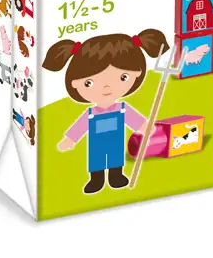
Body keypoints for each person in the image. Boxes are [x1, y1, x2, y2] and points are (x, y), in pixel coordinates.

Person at [42, 29, 169, 194]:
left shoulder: (123, 109)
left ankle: (116, 176)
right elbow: (80, 127)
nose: (107, 87)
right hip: (97, 144)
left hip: (116, 142)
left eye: (123, 77)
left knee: (116, 158)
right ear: (75, 83)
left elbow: (135, 120)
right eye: (89, 83)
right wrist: (70, 139)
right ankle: (96, 180)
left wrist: (144, 127)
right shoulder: (90, 114)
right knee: (96, 161)